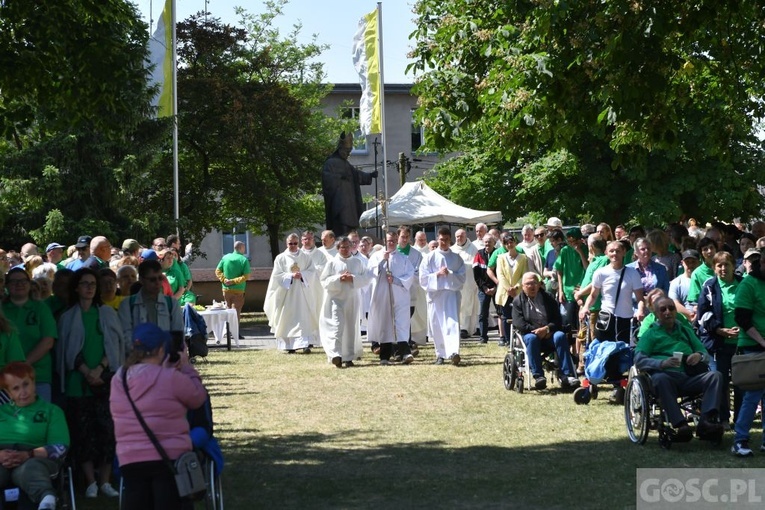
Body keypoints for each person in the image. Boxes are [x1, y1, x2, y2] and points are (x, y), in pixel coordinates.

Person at [110, 323, 206, 509]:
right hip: (168, 457)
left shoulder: (119, 378)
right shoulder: (170, 378)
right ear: (162, 349)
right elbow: (197, 397)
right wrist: (186, 368)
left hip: (130, 458)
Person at [56, 268, 124, 498]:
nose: (89, 287)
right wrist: (86, 371)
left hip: (104, 381)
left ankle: (105, 481)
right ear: (76, 287)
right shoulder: (67, 317)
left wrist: (99, 369)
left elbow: (114, 346)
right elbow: (67, 352)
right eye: (84, 283)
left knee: (106, 431)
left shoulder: (107, 313)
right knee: (82, 433)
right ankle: (90, 482)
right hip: (78, 383)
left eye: (92, 283)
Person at [634, 297, 723, 443]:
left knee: (715, 376)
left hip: (688, 376)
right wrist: (662, 363)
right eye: (663, 309)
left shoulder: (686, 331)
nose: (668, 312)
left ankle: (705, 422)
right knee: (660, 379)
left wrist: (698, 356)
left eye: (671, 308)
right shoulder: (651, 334)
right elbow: (638, 360)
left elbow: (704, 353)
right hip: (665, 376)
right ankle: (681, 425)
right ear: (656, 314)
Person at [0, 362, 70, 510]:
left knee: (30, 469)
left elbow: (61, 447)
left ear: (34, 383)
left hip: (36, 457)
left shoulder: (52, 411)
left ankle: (47, 501)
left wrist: (28, 454)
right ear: (8, 393)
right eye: (16, 388)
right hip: (2, 457)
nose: (23, 392)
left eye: (26, 384)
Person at [694, 251, 741, 428]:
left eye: (726, 265)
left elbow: (750, 309)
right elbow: (703, 314)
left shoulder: (743, 284)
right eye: (719, 265)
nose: (723, 268)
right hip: (716, 343)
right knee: (719, 381)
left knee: (741, 383)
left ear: (733, 266)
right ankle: (723, 418)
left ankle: (740, 418)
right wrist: (720, 330)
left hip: (741, 342)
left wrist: (742, 328)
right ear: (714, 268)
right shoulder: (709, 286)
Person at [512, 273, 579, 390]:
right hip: (530, 335)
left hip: (549, 335)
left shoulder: (548, 298)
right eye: (528, 284)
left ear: (539, 284)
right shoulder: (518, 301)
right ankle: (538, 376)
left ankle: (568, 376)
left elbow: (557, 319)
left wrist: (547, 329)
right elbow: (519, 324)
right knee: (531, 339)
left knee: (560, 336)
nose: (532, 286)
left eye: (534, 283)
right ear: (523, 286)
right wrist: (537, 331)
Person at [2, 268, 57, 402]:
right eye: (14, 281)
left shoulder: (41, 308)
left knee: (38, 419)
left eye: (23, 280)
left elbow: (48, 340)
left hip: (38, 375)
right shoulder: (1, 309)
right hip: (5, 379)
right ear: (7, 286)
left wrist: (23, 366)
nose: (19, 284)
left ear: (30, 283)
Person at [730, 249, 765, 456]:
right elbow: (742, 318)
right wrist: (762, 341)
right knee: (753, 395)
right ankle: (740, 440)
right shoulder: (748, 284)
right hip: (753, 345)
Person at [263, 234, 321, 354]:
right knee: (287, 319)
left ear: (298, 243)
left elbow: (312, 272)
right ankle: (289, 346)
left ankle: (304, 344)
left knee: (303, 318)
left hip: (302, 294)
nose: (293, 246)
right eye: (290, 243)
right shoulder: (281, 258)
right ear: (286, 243)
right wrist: (290, 276)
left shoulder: (305, 257)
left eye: (295, 243)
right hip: (287, 295)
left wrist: (303, 275)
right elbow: (277, 275)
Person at [319, 237, 371, 368]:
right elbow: (324, 281)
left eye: (348, 246)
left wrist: (352, 278)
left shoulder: (358, 262)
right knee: (337, 326)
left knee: (350, 328)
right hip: (336, 300)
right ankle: (336, 355)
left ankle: (348, 357)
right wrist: (339, 278)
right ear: (338, 248)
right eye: (343, 247)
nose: (346, 249)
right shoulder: (332, 263)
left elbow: (366, 279)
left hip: (352, 300)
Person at [579, 241, 645, 343]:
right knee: (604, 352)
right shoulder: (600, 273)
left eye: (618, 251)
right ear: (606, 253)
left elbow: (640, 298)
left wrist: (640, 310)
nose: (614, 254)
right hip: (606, 318)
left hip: (625, 319)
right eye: (611, 251)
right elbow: (593, 295)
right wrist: (585, 307)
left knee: (623, 352)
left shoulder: (632, 273)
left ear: (624, 252)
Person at [419, 227, 466, 365]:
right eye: (441, 240)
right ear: (437, 239)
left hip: (451, 295)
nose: (444, 242)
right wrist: (437, 274)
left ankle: (453, 352)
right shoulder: (429, 257)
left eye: (446, 240)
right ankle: (440, 354)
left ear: (450, 239)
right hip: (435, 294)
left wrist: (450, 274)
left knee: (452, 324)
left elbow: (462, 277)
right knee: (437, 324)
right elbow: (423, 278)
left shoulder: (456, 258)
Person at [367, 232, 415, 365]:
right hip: (382, 295)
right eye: (389, 240)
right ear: (384, 241)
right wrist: (383, 260)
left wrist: (395, 280)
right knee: (385, 324)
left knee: (401, 323)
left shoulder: (403, 258)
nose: (392, 243)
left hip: (399, 295)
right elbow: (370, 272)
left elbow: (409, 276)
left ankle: (405, 352)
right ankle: (385, 356)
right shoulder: (376, 256)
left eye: (394, 240)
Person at [321, 132, 377, 235]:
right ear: (340, 148)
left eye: (350, 151)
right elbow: (326, 178)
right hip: (338, 201)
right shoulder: (330, 162)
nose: (348, 153)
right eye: (347, 151)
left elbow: (356, 174)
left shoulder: (346, 164)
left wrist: (369, 175)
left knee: (351, 222)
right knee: (342, 222)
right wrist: (339, 177)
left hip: (350, 201)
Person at [118, 260, 184, 344]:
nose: (157, 283)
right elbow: (124, 335)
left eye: (160, 278)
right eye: (152, 280)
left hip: (165, 354)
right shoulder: (127, 304)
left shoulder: (171, 303)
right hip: (137, 355)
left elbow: (178, 334)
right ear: (141, 280)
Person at [495, 233, 528, 347]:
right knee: (505, 316)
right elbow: (500, 274)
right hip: (505, 292)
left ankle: (519, 340)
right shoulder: (501, 258)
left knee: (519, 316)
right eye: (507, 243)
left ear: (515, 242)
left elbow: (524, 274)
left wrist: (516, 287)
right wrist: (508, 288)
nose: (509, 244)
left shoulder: (523, 258)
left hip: (518, 291)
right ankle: (508, 341)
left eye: (511, 242)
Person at [215, 241, 250, 337]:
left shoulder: (225, 257)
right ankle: (235, 332)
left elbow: (218, 271)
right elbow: (246, 276)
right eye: (244, 248)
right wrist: (234, 281)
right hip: (238, 290)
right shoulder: (243, 259)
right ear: (241, 248)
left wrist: (224, 279)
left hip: (226, 289)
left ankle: (227, 331)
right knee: (236, 311)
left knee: (228, 309)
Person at [451, 229, 479, 339]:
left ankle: (465, 328)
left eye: (461, 236)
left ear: (466, 236)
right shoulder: (452, 249)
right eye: (457, 236)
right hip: (457, 284)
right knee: (458, 306)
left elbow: (476, 264)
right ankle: (457, 327)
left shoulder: (473, 249)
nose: (459, 238)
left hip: (469, 283)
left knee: (468, 306)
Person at [473, 234, 497, 344]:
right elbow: (476, 274)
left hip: (497, 288)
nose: (487, 244)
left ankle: (504, 337)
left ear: (494, 243)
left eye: (490, 242)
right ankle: (483, 337)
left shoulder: (498, 253)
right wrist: (484, 288)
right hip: (484, 289)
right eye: (486, 242)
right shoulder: (479, 254)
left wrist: (496, 287)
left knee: (501, 313)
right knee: (483, 313)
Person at [669, 249, 701, 322]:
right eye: (687, 262)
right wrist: (690, 315)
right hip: (684, 322)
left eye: (693, 262)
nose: (690, 265)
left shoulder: (705, 280)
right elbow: (674, 303)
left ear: (699, 262)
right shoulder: (676, 282)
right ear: (682, 263)